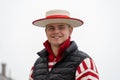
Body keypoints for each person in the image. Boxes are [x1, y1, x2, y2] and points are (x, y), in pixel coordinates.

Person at [29, 9, 99, 80]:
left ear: (70, 30)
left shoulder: (84, 62)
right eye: (51, 28)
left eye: (61, 27)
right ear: (46, 31)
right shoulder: (37, 65)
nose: (56, 31)